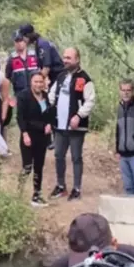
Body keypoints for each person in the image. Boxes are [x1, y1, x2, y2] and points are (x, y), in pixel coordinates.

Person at [48, 48, 95, 201]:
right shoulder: (60, 76)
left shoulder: (84, 79)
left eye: (69, 58)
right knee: (58, 155)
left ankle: (77, 188)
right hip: (59, 126)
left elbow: (90, 101)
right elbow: (51, 96)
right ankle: (61, 186)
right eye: (64, 57)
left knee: (76, 157)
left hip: (76, 127)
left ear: (77, 59)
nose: (65, 60)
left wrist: (79, 116)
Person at [16, 72, 53, 206]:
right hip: (29, 135)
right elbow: (20, 117)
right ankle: (18, 194)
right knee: (27, 166)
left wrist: (49, 124)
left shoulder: (45, 96)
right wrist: (24, 134)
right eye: (35, 82)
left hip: (42, 137)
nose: (38, 84)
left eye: (40, 82)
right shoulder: (23, 96)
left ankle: (36, 195)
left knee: (39, 166)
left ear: (43, 83)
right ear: (31, 82)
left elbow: (48, 113)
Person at [5, 31, 41, 105]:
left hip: (38, 92)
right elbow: (7, 79)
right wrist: (8, 95)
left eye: (21, 40)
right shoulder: (11, 59)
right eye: (16, 41)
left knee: (43, 111)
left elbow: (43, 72)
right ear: (14, 43)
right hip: (20, 95)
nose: (19, 43)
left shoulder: (35, 55)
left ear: (25, 41)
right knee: (22, 115)